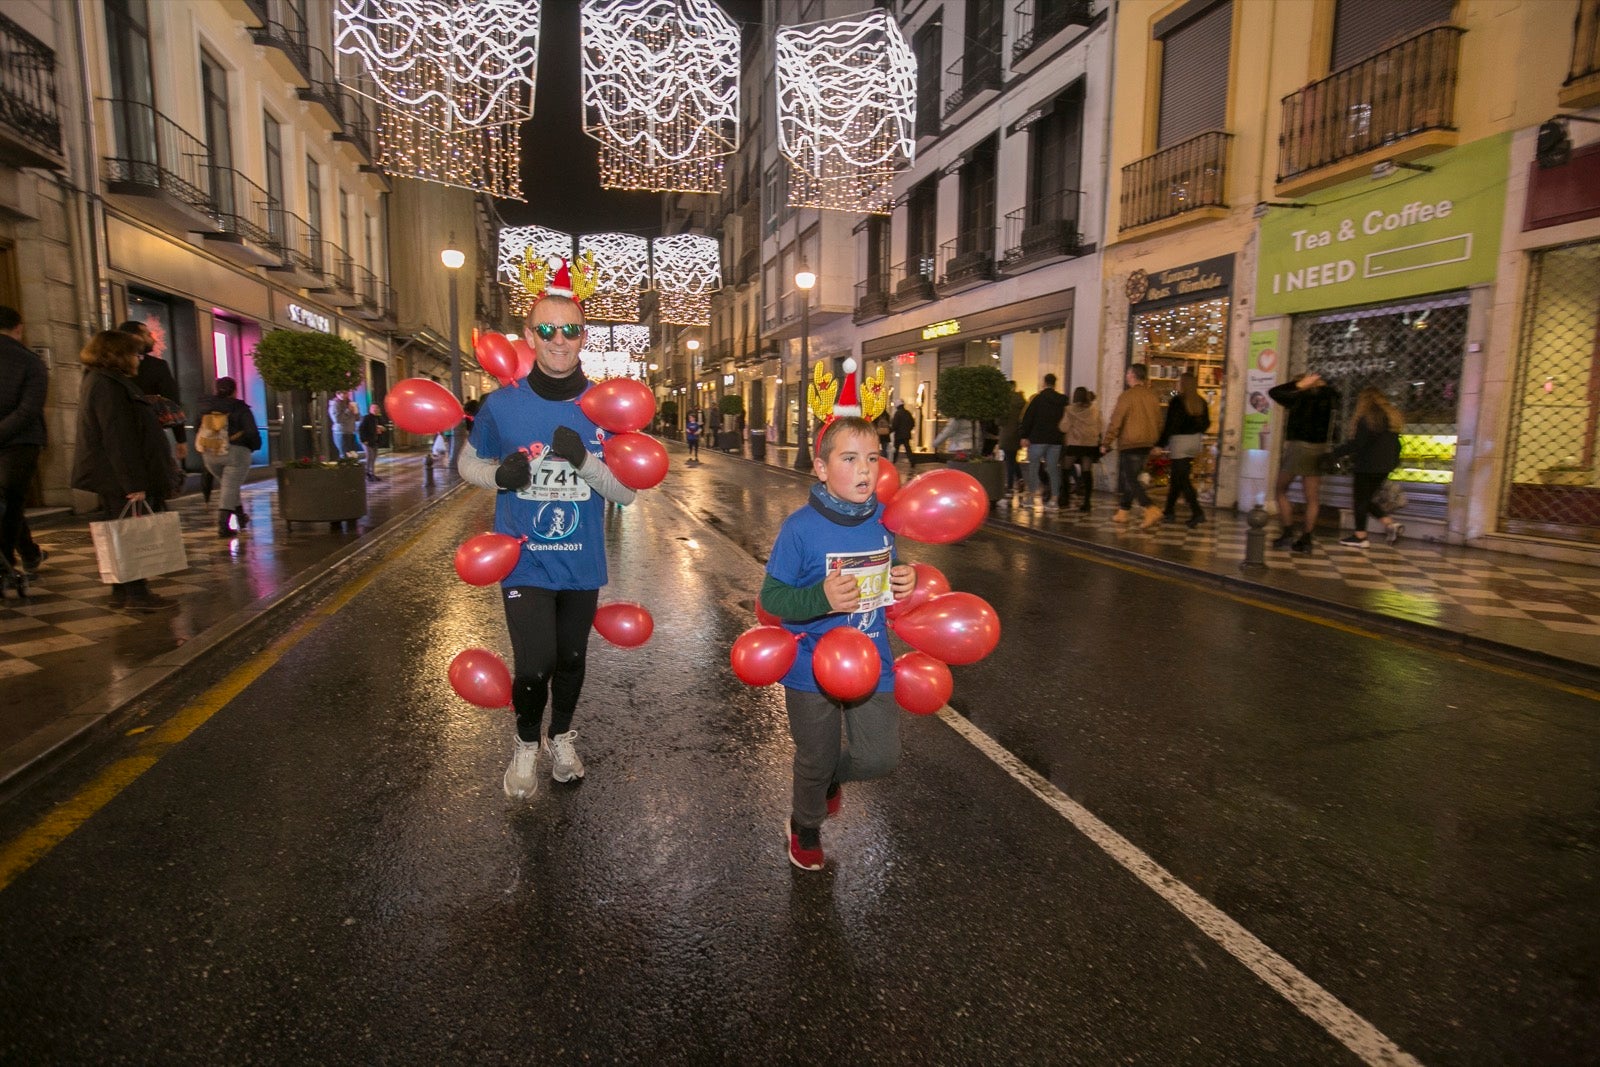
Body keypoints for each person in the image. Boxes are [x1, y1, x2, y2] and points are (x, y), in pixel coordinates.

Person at [458, 287, 638, 801]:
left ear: (584, 337)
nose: (560, 340)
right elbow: (468, 465)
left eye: (571, 330)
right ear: (530, 336)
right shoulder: (502, 405)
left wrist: (585, 460)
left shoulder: (604, 407)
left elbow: (626, 491)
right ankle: (525, 745)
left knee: (572, 661)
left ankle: (560, 738)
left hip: (581, 561)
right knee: (535, 663)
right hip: (524, 559)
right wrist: (500, 476)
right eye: (547, 329)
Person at [761, 416, 917, 871]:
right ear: (822, 468)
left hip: (873, 661)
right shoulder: (800, 529)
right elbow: (772, 598)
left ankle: (828, 782)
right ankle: (805, 826)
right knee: (815, 757)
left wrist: (903, 579)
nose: (864, 470)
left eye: (872, 458)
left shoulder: (885, 523)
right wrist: (820, 597)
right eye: (849, 459)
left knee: (880, 756)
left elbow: (888, 576)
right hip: (810, 668)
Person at [73, 329, 180, 611]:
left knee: (122, 531)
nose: (139, 359)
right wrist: (133, 482)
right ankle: (137, 594)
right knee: (132, 532)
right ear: (117, 354)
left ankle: (123, 591)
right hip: (119, 475)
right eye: (135, 353)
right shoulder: (107, 385)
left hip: (116, 474)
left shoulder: (106, 381)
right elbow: (117, 437)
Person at [0, 306, 46, 595]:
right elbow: (29, 410)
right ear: (19, 327)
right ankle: (8, 563)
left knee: (7, 503)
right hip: (20, 442)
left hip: (16, 441)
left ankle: (26, 553)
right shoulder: (30, 361)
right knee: (12, 502)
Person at [1268, 371, 1340, 554]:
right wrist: (1319, 384)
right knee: (1312, 497)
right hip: (1320, 448)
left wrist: (1299, 386)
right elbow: (1335, 395)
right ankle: (1306, 538)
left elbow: (1274, 392)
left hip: (1299, 447)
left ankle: (1288, 532)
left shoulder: (1299, 397)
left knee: (1280, 489)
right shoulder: (1330, 396)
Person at [1329, 387, 1405, 548]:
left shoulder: (1367, 419)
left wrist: (1335, 453)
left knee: (1360, 500)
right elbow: (1397, 445)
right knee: (1366, 499)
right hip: (1384, 466)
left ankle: (1360, 536)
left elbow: (1358, 444)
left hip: (1367, 465)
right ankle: (1389, 524)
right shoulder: (1391, 419)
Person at [192, 376, 261, 537]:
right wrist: (254, 446)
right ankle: (223, 526)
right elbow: (251, 431)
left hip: (209, 454)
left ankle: (241, 517)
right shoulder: (239, 407)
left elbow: (197, 428)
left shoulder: (204, 407)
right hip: (235, 453)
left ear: (216, 389)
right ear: (234, 391)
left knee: (229, 485)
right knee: (230, 486)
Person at [121, 319, 187, 480]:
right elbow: (172, 403)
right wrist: (181, 439)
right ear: (135, 338)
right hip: (148, 436)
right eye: (148, 334)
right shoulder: (156, 366)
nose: (153, 338)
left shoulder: (111, 366)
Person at [1101, 363, 1163, 530]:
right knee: (1132, 478)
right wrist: (1155, 442)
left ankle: (1150, 508)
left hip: (1131, 443)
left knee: (1130, 479)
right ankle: (1123, 511)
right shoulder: (1152, 396)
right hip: (1147, 443)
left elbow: (1116, 421)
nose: (1126, 375)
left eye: (1128, 373)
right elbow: (1159, 422)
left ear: (1132, 375)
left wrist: (1106, 442)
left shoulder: (1127, 396)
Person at [1157, 372, 1211, 528]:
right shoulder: (1201, 402)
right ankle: (1168, 510)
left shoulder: (1177, 402)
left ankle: (1197, 512)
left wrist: (1161, 443)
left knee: (1183, 480)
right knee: (1177, 478)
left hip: (1179, 442)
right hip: (1194, 442)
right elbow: (1206, 424)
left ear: (1183, 384)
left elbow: (1170, 425)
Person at [1017, 373, 1068, 509]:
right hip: (1056, 439)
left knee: (1033, 467)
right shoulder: (1063, 400)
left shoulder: (1038, 399)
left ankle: (1031, 498)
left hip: (1038, 439)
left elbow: (1028, 418)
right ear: (1055, 384)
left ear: (1044, 383)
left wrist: (1024, 435)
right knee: (1052, 469)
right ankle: (1054, 499)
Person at [1058, 387, 1100, 514]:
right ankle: (1087, 502)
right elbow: (1100, 426)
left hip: (1074, 443)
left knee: (1065, 469)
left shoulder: (1070, 410)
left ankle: (1065, 498)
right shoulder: (1095, 410)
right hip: (1090, 444)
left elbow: (1063, 427)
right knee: (1087, 472)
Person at [997, 380, 1026, 502]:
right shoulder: (1022, 401)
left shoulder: (1003, 401)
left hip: (1006, 433)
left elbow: (999, 420)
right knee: (1012, 458)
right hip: (1017, 433)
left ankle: (1009, 487)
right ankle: (1020, 479)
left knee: (1009, 460)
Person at [328, 389, 360, 459]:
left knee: (352, 455)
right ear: (337, 394)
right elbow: (337, 420)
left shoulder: (350, 402)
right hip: (341, 432)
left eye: (345, 393)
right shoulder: (335, 404)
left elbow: (357, 418)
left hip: (351, 431)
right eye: (341, 393)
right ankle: (345, 468)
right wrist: (348, 410)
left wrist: (356, 411)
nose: (343, 395)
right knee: (344, 455)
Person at [358, 402, 385, 482]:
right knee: (370, 457)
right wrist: (364, 440)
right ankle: (368, 473)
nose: (375, 410)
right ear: (370, 409)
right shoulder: (366, 418)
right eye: (373, 408)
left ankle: (371, 473)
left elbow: (383, 428)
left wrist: (382, 429)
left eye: (377, 408)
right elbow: (361, 429)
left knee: (373, 458)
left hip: (375, 441)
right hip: (367, 441)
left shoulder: (379, 418)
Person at [890, 400, 915, 464]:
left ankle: (893, 462)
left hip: (898, 435)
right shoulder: (907, 413)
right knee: (908, 449)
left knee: (896, 449)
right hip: (906, 435)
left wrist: (890, 431)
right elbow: (912, 423)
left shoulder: (897, 414)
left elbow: (895, 425)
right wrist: (908, 429)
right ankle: (912, 461)